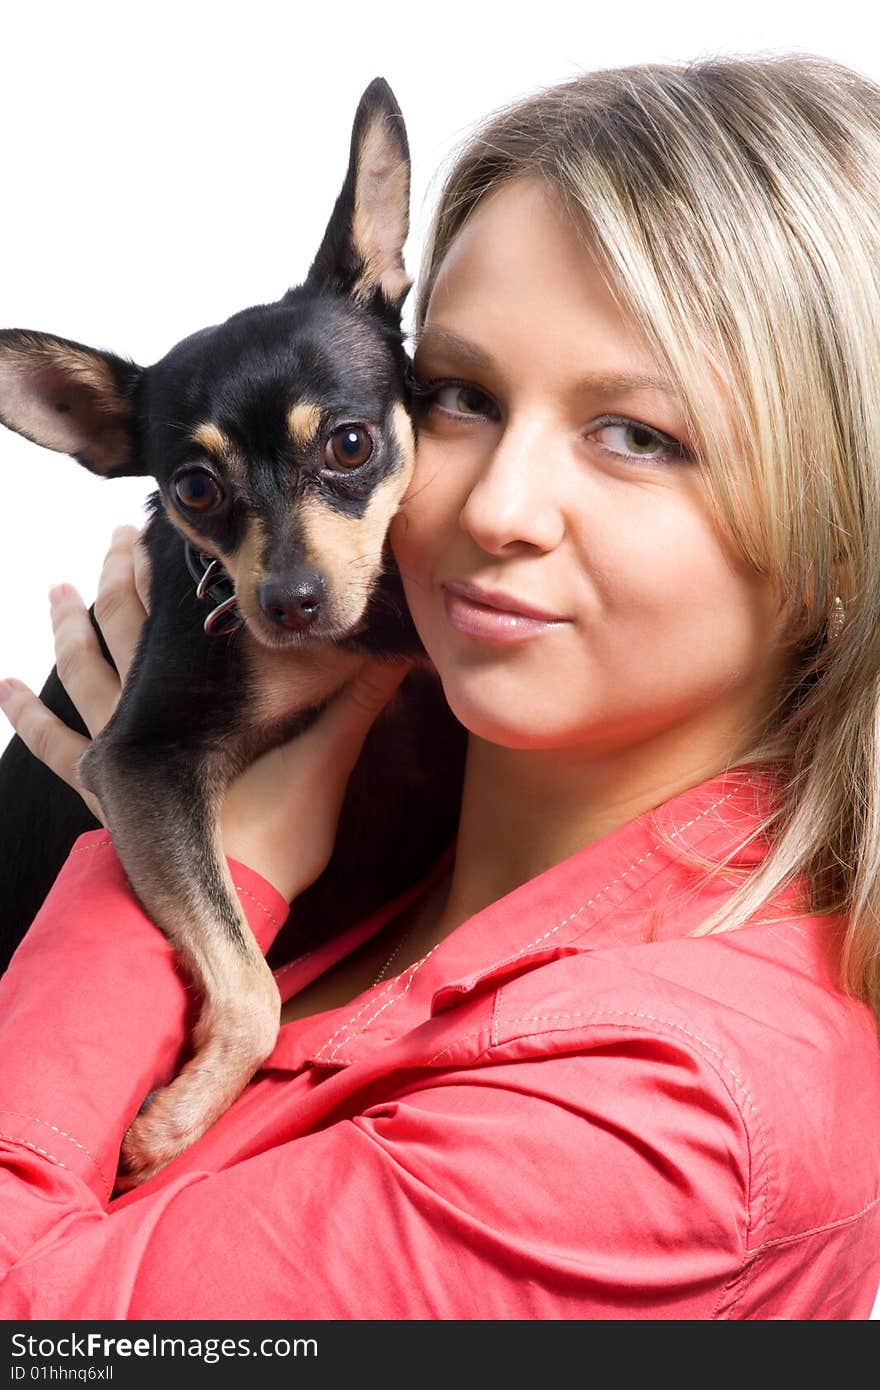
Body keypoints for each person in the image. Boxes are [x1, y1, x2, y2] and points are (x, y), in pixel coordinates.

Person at [0, 49, 879, 1321]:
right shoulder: (376, 792)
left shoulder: (661, 1117)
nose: (498, 507)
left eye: (640, 435)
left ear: (843, 530)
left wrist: (155, 894)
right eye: (460, 395)